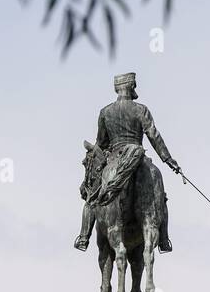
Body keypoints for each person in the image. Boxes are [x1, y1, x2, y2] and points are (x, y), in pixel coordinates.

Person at [75, 71, 180, 253]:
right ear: (131, 87)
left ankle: (84, 237)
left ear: (117, 88)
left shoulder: (106, 112)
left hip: (115, 158)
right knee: (160, 198)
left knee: (93, 197)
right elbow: (153, 135)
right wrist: (168, 159)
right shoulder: (140, 109)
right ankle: (163, 239)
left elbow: (100, 144)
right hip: (139, 157)